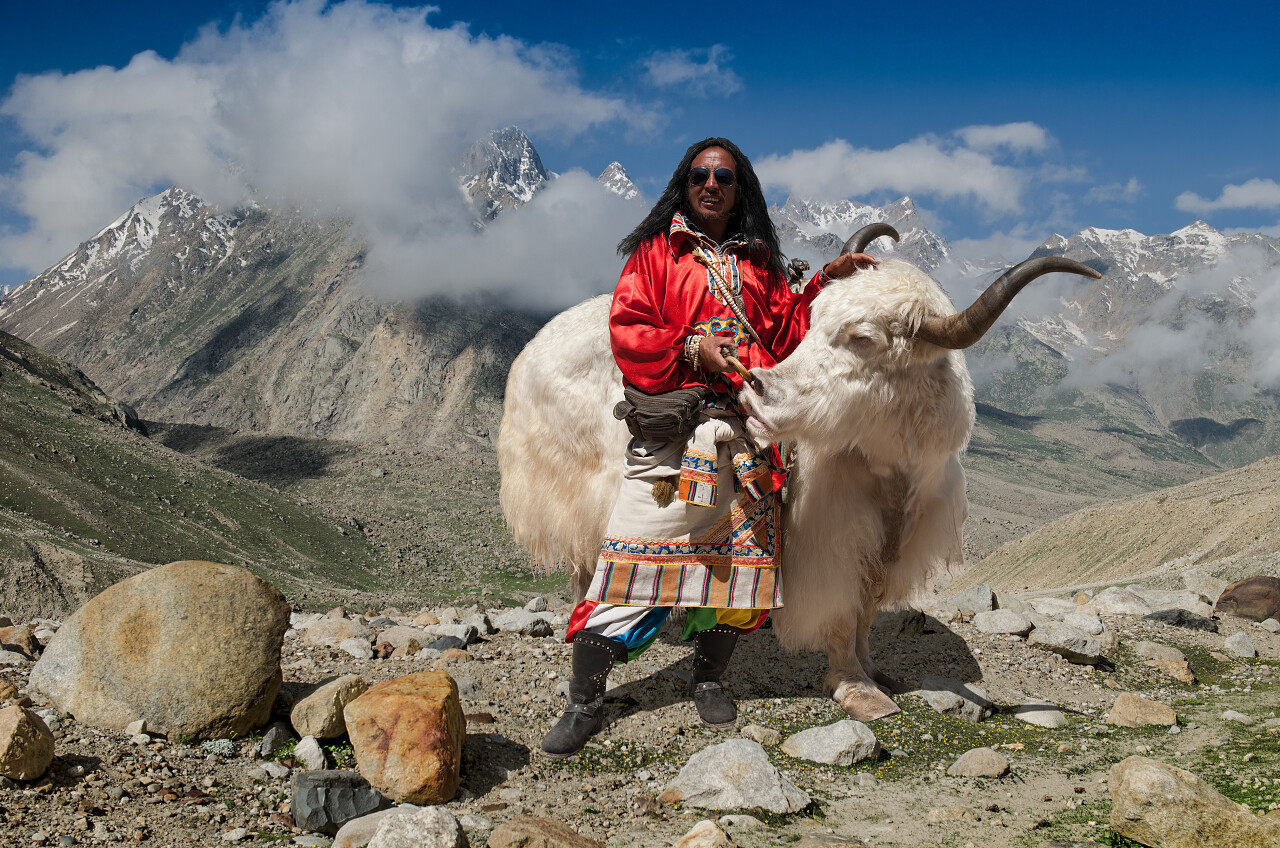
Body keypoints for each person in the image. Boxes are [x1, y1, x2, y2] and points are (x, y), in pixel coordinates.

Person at [540, 137, 876, 758]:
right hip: (674, 436)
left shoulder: (758, 263)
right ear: (684, 183)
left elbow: (784, 329)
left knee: (740, 577)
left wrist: (826, 280)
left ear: (739, 186)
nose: (711, 184)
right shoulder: (655, 255)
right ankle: (584, 701)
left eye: (724, 175)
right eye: (700, 175)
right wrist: (693, 349)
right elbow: (627, 327)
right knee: (626, 567)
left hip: (748, 441)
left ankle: (710, 677)